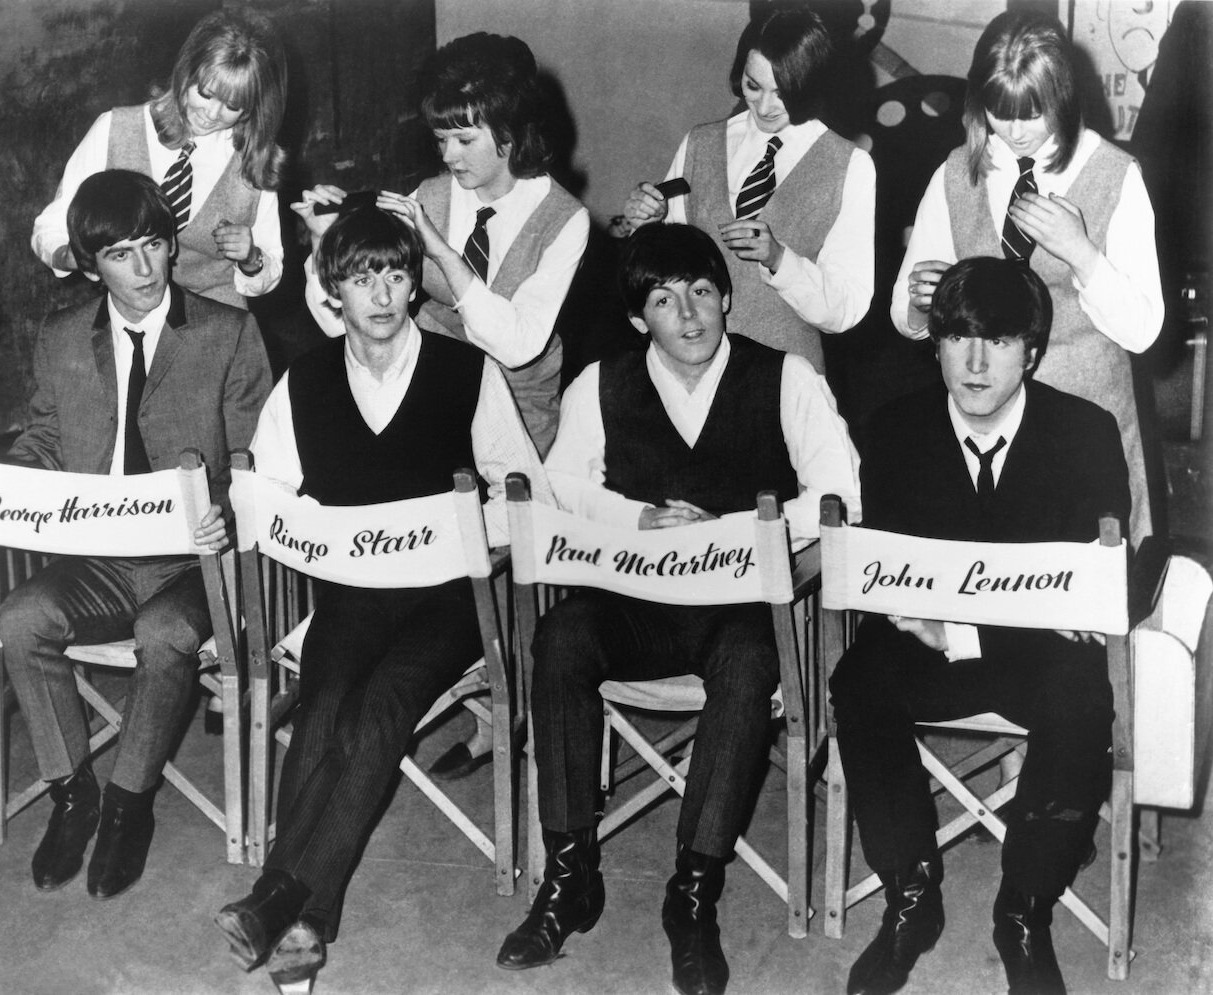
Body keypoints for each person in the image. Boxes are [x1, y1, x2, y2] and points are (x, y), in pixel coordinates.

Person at [495, 223, 860, 995]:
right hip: (637, 595)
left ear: (727, 297)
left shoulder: (785, 376)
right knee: (560, 637)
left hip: (735, 603)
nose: (688, 314)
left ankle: (692, 894)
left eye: (701, 292)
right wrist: (636, 519)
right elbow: (562, 488)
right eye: (664, 300)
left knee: (749, 660)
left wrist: (735, 529)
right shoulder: (601, 381)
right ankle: (569, 876)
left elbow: (839, 496)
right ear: (639, 319)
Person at [213, 204, 551, 989]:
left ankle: (286, 899)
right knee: (326, 700)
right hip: (351, 595)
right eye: (364, 276)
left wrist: (478, 526)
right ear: (333, 288)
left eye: (398, 273)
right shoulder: (306, 379)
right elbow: (264, 494)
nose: (384, 292)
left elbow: (521, 489)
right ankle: (296, 914)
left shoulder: (467, 370)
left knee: (383, 703)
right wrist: (243, 513)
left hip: (446, 600)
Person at [0, 169, 271, 900]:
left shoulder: (227, 331)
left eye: (154, 247)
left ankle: (127, 806)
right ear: (90, 264)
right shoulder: (65, 335)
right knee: (20, 617)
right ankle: (74, 793)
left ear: (172, 245)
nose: (142, 269)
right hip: (99, 554)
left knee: (166, 633)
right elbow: (43, 439)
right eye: (120, 254)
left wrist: (226, 511)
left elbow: (256, 457)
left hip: (190, 562)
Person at [834, 257, 1130, 995]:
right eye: (957, 337)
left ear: (1031, 350)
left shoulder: (1087, 433)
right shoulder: (893, 429)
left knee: (1081, 690)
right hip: (924, 644)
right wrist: (940, 618)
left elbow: (1090, 600)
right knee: (859, 677)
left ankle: (1023, 909)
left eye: (997, 341)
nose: (973, 361)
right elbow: (890, 580)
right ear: (932, 343)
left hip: (1025, 658)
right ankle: (912, 890)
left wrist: (962, 628)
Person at [890, 9, 1161, 546]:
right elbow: (905, 315)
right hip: (986, 432)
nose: (1014, 131)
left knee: (1087, 605)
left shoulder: (1116, 176)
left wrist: (1084, 255)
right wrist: (921, 303)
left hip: (1088, 435)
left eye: (1031, 113)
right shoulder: (955, 173)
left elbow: (1144, 330)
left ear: (1062, 96)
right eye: (999, 111)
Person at [300, 31, 588, 459]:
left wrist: (441, 252)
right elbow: (348, 322)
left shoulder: (565, 220)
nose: (449, 156)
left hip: (518, 421)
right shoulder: (428, 197)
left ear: (510, 134)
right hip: (432, 404)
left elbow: (517, 345)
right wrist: (324, 239)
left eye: (465, 141)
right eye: (440, 139)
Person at [622, 6, 874, 372]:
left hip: (787, 376)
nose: (765, 106)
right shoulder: (700, 143)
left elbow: (845, 309)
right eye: (753, 86)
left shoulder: (850, 165)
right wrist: (645, 224)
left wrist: (779, 260)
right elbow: (659, 267)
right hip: (692, 370)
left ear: (811, 84)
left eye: (783, 92)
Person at [31, 8, 288, 309]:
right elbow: (51, 227)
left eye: (233, 105)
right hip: (130, 315)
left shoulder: (255, 162)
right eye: (205, 93)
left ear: (251, 108)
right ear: (185, 73)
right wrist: (68, 255)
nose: (212, 113)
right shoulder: (114, 130)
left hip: (216, 323)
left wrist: (251, 258)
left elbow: (271, 267)